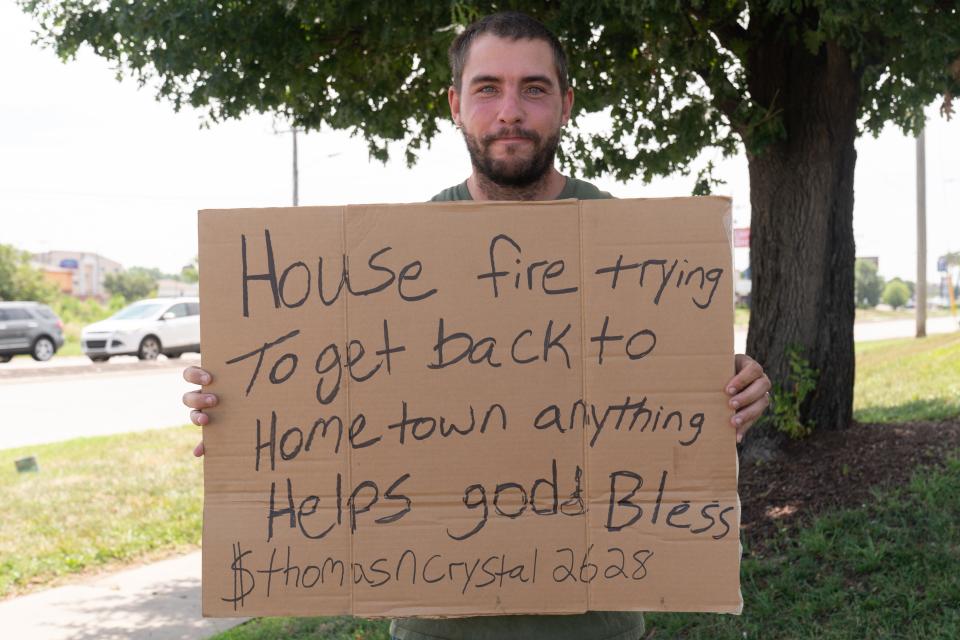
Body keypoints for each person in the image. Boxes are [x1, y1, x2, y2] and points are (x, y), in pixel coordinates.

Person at [183, 11, 771, 640]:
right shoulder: (388, 258)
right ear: (455, 105)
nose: (510, 111)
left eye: (534, 89)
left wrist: (735, 389)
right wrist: (238, 415)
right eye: (487, 88)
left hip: (596, 624)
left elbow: (674, 404)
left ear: (566, 104)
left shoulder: (638, 251)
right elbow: (336, 409)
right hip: (436, 623)